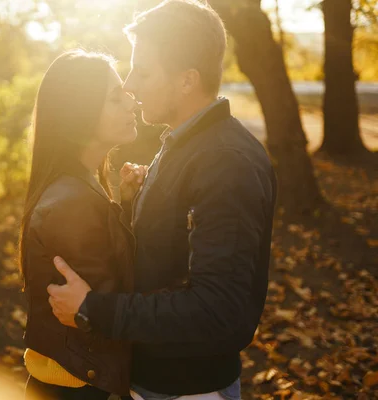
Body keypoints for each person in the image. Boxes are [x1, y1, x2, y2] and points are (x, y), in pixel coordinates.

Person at [46, 1, 277, 399]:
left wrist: (92, 310)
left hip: (188, 389)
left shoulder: (225, 162)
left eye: (144, 71)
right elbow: (171, 257)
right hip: (156, 382)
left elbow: (215, 309)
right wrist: (138, 205)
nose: (131, 85)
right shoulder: (184, 143)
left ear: (187, 80)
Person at [19, 49, 146, 400]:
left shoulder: (80, 185)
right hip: (78, 388)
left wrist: (128, 205)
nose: (131, 105)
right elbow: (108, 310)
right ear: (80, 116)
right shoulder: (72, 202)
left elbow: (107, 272)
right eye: (115, 98)